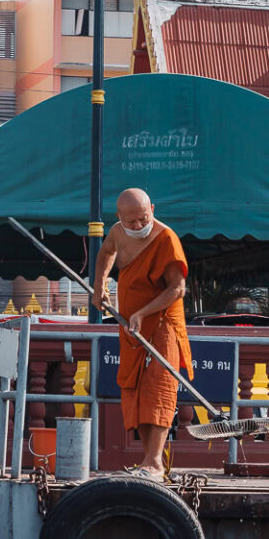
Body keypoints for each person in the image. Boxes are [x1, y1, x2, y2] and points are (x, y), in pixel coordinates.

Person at [91, 188, 193, 479]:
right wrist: (100, 286)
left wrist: (143, 312)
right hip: (132, 327)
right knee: (135, 391)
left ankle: (155, 462)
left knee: (158, 390)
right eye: (131, 221)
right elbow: (105, 253)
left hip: (161, 324)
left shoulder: (165, 238)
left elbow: (177, 289)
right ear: (119, 218)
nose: (138, 226)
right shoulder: (117, 232)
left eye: (143, 218)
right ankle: (148, 461)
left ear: (153, 209)